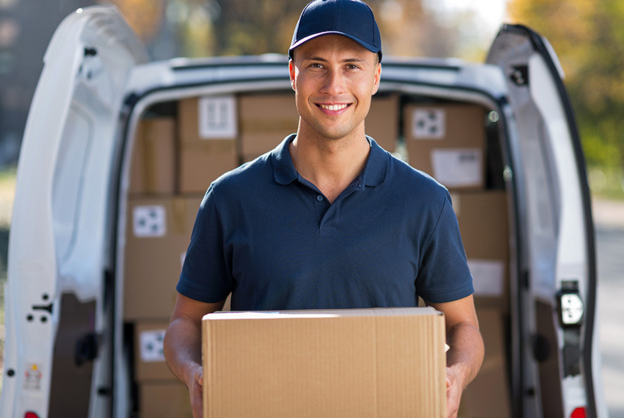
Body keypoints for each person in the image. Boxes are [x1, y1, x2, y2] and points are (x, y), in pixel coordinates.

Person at [164, 0, 484, 417]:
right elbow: (183, 323)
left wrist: (455, 373)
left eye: (352, 65)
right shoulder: (230, 198)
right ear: (293, 74)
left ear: (376, 77)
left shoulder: (424, 201)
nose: (334, 85)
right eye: (317, 65)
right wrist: (194, 371)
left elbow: (464, 327)